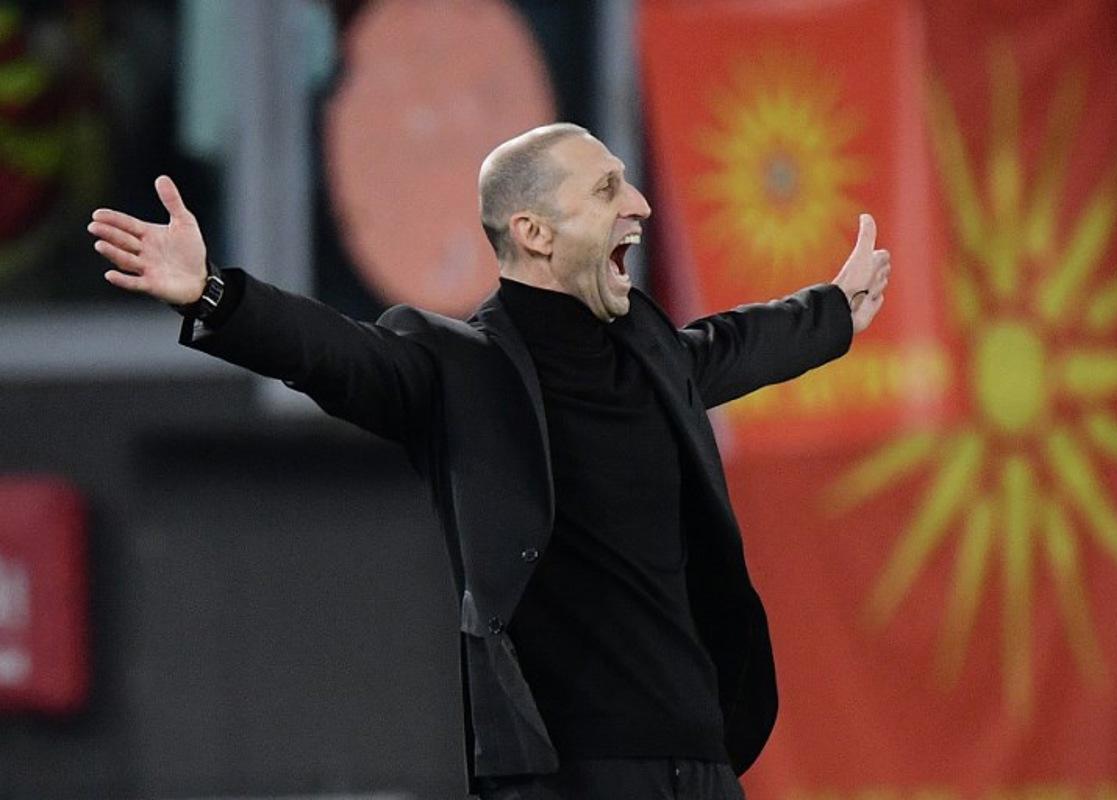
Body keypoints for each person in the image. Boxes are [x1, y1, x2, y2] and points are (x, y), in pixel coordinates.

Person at [88, 123, 890, 800]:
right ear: (535, 232)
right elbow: (334, 354)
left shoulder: (653, 358)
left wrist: (834, 313)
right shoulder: (457, 370)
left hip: (705, 762)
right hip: (570, 772)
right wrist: (213, 295)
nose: (639, 204)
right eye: (609, 190)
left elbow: (737, 345)